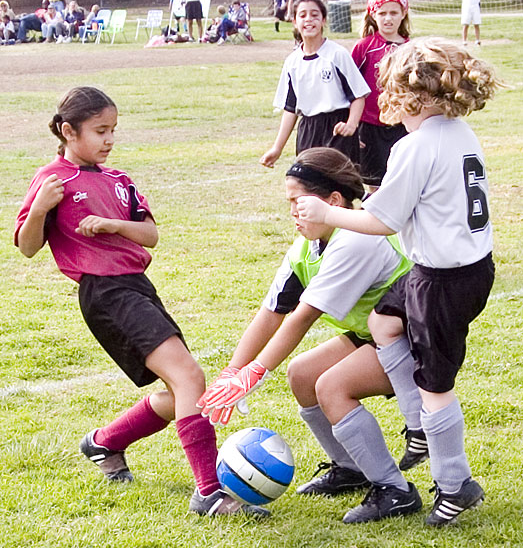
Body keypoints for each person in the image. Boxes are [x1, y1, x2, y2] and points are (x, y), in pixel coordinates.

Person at [14, 86, 269, 518]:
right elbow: (26, 247)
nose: (109, 140)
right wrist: (39, 209)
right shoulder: (52, 179)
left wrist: (112, 224)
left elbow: (150, 234)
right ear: (68, 131)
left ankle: (104, 443)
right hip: (105, 292)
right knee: (189, 376)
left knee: (183, 391)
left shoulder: (119, 180)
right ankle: (209, 493)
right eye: (100, 131)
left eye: (113, 130)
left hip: (137, 286)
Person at [295, 38, 501, 525]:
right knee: (384, 322)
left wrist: (326, 213)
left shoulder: (416, 145)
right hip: (464, 268)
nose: (385, 100)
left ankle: (455, 484)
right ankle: (417, 426)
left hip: (443, 281)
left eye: (390, 91)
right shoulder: (460, 132)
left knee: (435, 386)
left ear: (415, 96)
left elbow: (383, 221)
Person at [198, 147, 425, 522]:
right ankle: (350, 468)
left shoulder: (356, 239)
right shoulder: (307, 244)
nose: (292, 212)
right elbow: (272, 312)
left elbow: (303, 317)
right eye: (289, 202)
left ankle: (394, 490)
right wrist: (232, 371)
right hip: (373, 334)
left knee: (332, 387)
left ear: (333, 201)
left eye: (298, 202)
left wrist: (255, 372)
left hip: (413, 337)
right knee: (302, 375)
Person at [260, 0, 369, 169]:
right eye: (302, 15)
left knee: (337, 182)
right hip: (308, 130)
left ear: (323, 20)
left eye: (315, 15)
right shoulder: (292, 62)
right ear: (294, 22)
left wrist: (351, 125)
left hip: (337, 129)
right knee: (309, 181)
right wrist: (277, 148)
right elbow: (290, 109)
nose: (309, 19)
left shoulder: (337, 55)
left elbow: (358, 95)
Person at [351, 0, 411, 191]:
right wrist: (352, 124)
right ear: (372, 15)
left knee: (402, 182)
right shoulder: (364, 47)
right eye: (382, 13)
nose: (388, 19)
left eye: (394, 13)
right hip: (370, 126)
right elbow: (350, 87)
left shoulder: (411, 48)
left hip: (403, 124)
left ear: (403, 13)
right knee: (375, 185)